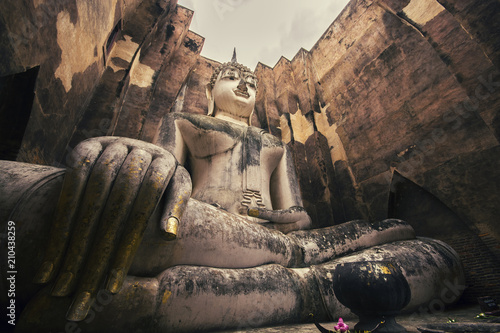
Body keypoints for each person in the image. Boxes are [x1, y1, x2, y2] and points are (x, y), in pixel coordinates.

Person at [1, 56, 464, 332]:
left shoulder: (273, 144)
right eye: (232, 76)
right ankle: (302, 284)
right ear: (210, 87)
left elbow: (299, 214)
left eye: (252, 81)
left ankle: (300, 280)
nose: (244, 84)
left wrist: (269, 213)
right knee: (130, 207)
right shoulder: (188, 122)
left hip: (281, 240)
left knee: (416, 249)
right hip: (196, 227)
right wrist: (149, 163)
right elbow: (165, 171)